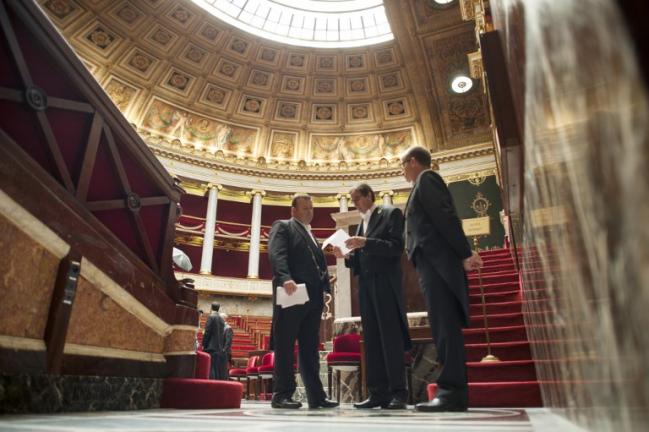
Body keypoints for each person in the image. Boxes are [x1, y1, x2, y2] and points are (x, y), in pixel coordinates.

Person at [400, 146, 483, 412]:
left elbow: (445, 216)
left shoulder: (427, 179)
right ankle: (451, 392)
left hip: (438, 264)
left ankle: (452, 393)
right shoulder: (421, 183)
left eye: (403, 165)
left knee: (445, 327)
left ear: (413, 161)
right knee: (442, 327)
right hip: (432, 264)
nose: (402, 170)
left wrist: (464, 252)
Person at [333, 183, 412, 410]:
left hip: (385, 283)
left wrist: (366, 242)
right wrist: (345, 256)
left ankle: (398, 392)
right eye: (353, 200)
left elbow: (396, 247)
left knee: (390, 338)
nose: (355, 204)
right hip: (366, 286)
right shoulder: (360, 225)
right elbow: (359, 259)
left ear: (369, 195)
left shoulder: (390, 214)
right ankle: (378, 393)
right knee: (373, 341)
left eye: (357, 199)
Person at [268, 194, 339, 410]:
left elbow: (318, 265)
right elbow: (276, 253)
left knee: (310, 349)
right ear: (293, 211)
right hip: (292, 293)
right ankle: (282, 395)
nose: (310, 211)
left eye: (311, 208)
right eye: (305, 208)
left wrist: (325, 288)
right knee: (285, 345)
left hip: (313, 298)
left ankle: (316, 396)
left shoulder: (311, 234)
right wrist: (285, 276)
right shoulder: (284, 226)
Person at [202, 302, 227, 380]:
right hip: (219, 347)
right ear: (218, 308)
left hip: (210, 347)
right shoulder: (221, 319)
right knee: (216, 368)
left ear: (211, 308)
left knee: (210, 367)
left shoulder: (211, 317)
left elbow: (207, 332)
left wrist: (204, 344)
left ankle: (210, 386)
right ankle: (216, 385)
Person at [222, 313, 233, 377]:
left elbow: (228, 342)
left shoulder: (228, 328)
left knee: (225, 370)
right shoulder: (221, 327)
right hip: (221, 352)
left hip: (225, 353)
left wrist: (223, 351)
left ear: (223, 319)